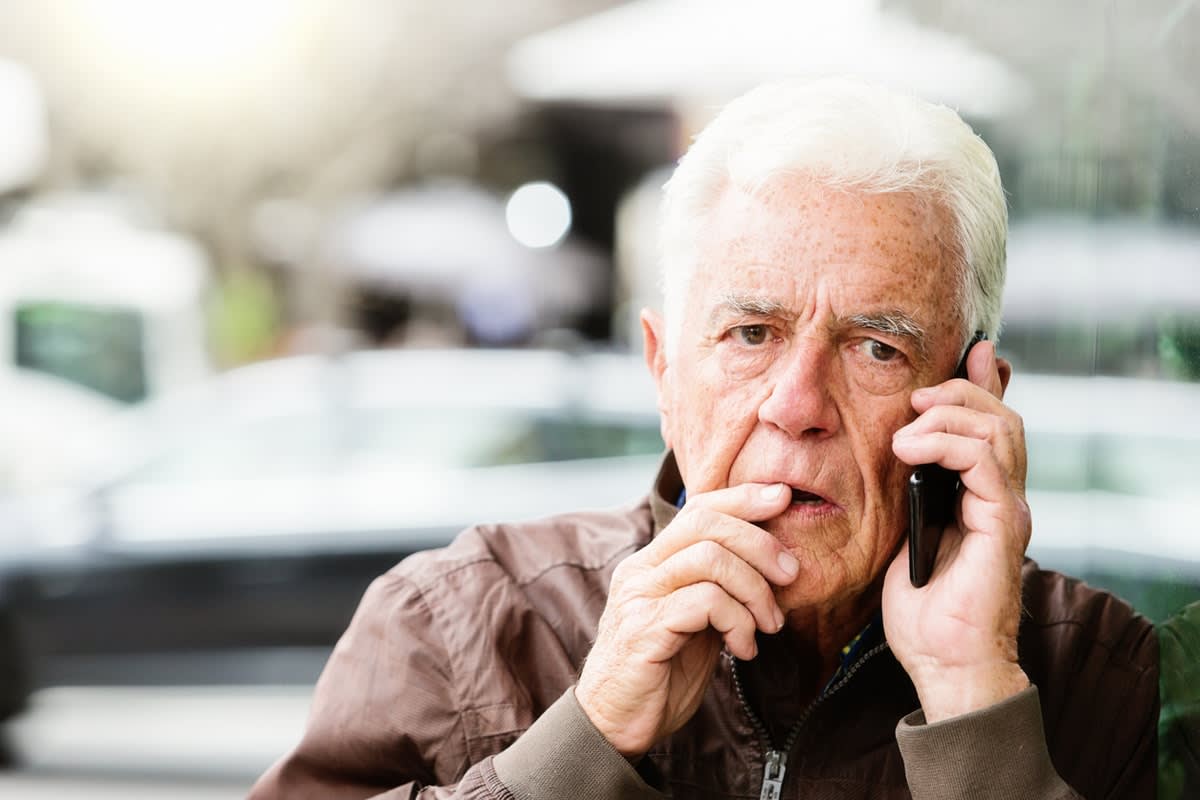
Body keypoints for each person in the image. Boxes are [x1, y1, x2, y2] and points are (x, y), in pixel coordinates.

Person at [249, 78, 1158, 799]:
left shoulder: (1107, 676)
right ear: (661, 371)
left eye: (877, 348)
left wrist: (977, 711)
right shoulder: (463, 625)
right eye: (750, 334)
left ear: (976, 397)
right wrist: (586, 741)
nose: (796, 404)